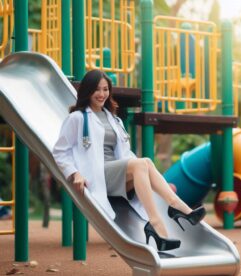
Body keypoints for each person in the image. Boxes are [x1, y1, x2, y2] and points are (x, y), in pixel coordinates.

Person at [52, 70, 206, 251]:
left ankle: (174, 206)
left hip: (116, 174)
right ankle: (162, 218)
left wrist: (141, 169)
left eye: (105, 89)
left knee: (146, 162)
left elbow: (124, 152)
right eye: (97, 90)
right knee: (142, 163)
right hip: (97, 174)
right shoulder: (77, 118)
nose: (102, 94)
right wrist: (74, 173)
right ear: (87, 91)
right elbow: (60, 151)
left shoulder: (114, 119)